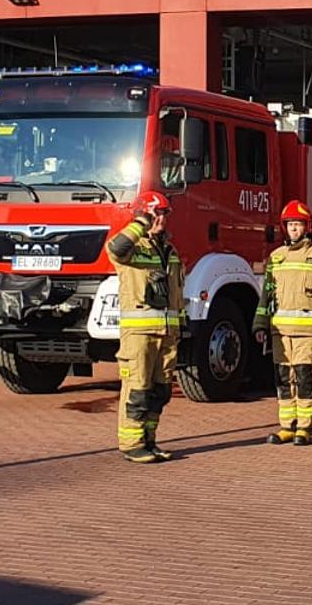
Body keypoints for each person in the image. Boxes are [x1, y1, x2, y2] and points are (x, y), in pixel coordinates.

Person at [105, 191, 184, 463]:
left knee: (159, 391)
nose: (161, 219)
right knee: (137, 389)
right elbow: (114, 249)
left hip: (167, 334)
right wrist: (140, 223)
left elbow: (176, 293)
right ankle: (131, 443)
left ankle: (149, 440)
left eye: (163, 214)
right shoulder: (132, 249)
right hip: (139, 336)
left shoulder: (170, 251)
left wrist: (181, 327)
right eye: (156, 213)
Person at [254, 200, 312, 446]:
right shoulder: (276, 257)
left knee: (304, 377)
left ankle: (304, 427)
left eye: (298, 224)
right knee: (282, 377)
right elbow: (266, 294)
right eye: (290, 224)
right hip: (280, 332)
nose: (293, 229)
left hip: (307, 333)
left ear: (307, 227)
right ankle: (286, 426)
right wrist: (260, 325)